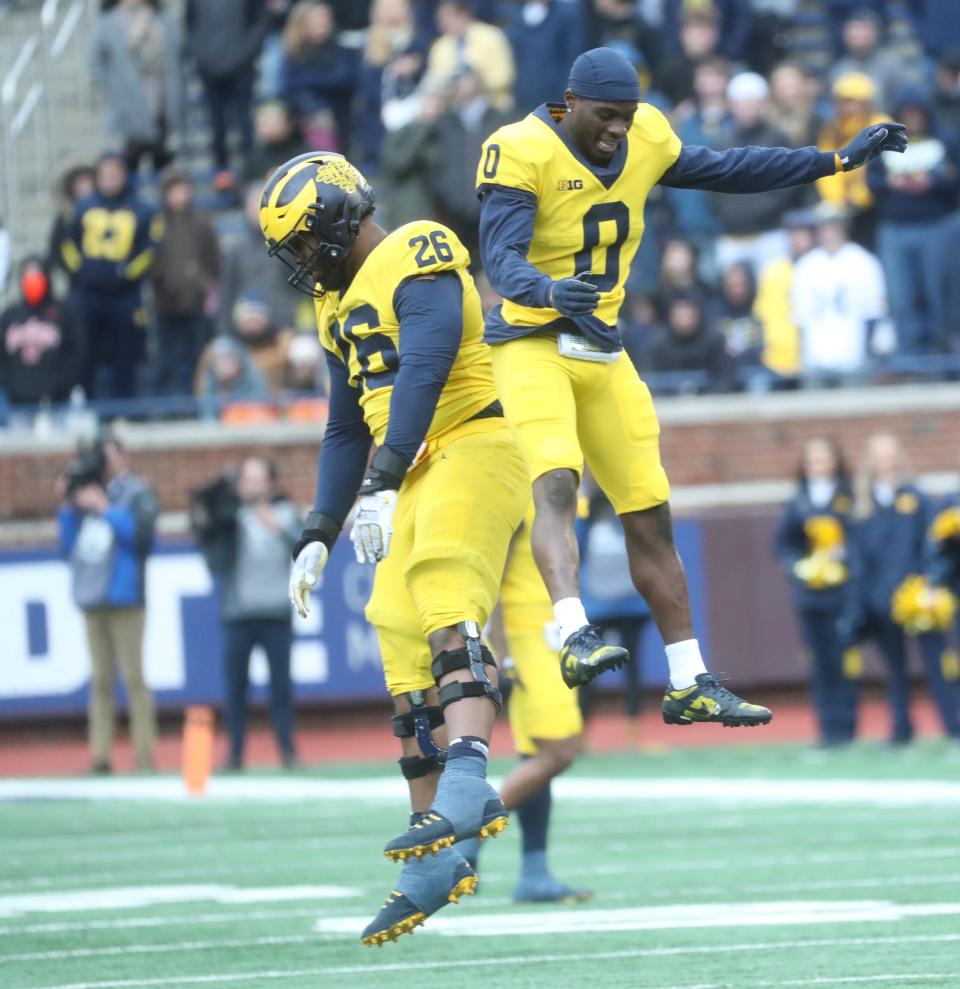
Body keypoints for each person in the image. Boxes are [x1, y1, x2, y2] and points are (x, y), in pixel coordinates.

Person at [475, 46, 905, 721]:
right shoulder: (521, 147)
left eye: (628, 116)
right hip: (532, 342)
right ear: (573, 101)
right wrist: (552, 289)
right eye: (607, 117)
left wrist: (836, 161)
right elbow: (499, 257)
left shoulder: (647, 132)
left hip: (603, 351)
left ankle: (688, 678)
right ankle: (572, 628)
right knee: (557, 477)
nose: (619, 129)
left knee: (650, 510)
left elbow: (729, 169)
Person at [259, 152, 528, 944]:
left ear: (342, 215)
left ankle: (471, 778)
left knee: (440, 579)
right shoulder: (333, 307)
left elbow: (426, 363)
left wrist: (381, 480)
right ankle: (435, 854)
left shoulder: (418, 246)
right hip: (406, 465)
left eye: (307, 240)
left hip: (473, 438)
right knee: (396, 629)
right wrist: (318, 530)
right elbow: (347, 425)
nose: (304, 261)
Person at [473, 507, 592, 904]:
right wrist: (502, 649)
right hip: (528, 637)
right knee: (559, 752)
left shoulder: (556, 479)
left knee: (537, 755)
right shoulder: (520, 487)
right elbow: (496, 575)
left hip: (551, 634)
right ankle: (468, 833)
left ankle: (534, 871)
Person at [846, 434, 960, 743]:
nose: (887, 461)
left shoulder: (917, 498)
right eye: (880, 455)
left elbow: (931, 546)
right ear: (870, 461)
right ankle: (901, 728)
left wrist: (932, 584)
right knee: (894, 669)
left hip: (919, 598)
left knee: (938, 663)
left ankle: (953, 725)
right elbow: (858, 558)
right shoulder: (861, 505)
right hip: (880, 601)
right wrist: (862, 601)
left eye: (891, 454)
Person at [56, 435, 159, 773]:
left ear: (123, 458)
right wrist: (69, 505)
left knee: (133, 677)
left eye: (111, 456)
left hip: (125, 596)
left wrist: (105, 508)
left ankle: (144, 754)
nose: (106, 463)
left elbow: (141, 538)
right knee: (100, 680)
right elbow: (69, 546)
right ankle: (100, 755)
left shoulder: (137, 492)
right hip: (93, 596)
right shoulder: (85, 494)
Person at [192, 456, 301, 768]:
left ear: (270, 484)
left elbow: (306, 547)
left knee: (280, 687)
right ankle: (235, 754)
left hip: (277, 611)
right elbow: (205, 532)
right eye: (246, 479)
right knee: (235, 687)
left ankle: (287, 750)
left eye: (257, 479)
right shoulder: (230, 514)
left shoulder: (285, 513)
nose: (250, 485)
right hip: (238, 614)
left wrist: (278, 527)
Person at [774, 437, 859, 747]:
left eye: (823, 459)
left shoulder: (848, 496)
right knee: (818, 662)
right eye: (812, 460)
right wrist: (800, 566)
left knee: (844, 661)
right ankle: (827, 728)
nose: (818, 465)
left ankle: (848, 727)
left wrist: (845, 557)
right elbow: (783, 544)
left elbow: (861, 538)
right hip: (810, 595)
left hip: (843, 594)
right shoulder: (797, 500)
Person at [867, 89, 960, 356]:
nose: (913, 120)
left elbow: (956, 178)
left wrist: (933, 182)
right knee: (901, 296)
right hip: (895, 228)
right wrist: (890, 182)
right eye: (907, 116)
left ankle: (940, 354)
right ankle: (908, 355)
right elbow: (872, 182)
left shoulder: (946, 139)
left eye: (916, 115)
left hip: (937, 225)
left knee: (939, 292)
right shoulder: (883, 142)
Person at [61, 153, 156, 401]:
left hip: (124, 295)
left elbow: (149, 250)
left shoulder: (141, 209)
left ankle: (124, 405)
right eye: (105, 175)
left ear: (124, 176)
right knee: (84, 349)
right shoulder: (82, 207)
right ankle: (83, 400)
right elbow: (67, 244)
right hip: (88, 293)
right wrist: (80, 272)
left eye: (115, 174)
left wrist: (126, 273)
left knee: (126, 351)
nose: (110, 180)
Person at [790, 204, 888, 380]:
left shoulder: (864, 262)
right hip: (815, 356)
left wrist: (868, 352)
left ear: (844, 227)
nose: (829, 232)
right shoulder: (806, 266)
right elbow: (800, 318)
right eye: (824, 226)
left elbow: (874, 313)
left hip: (853, 356)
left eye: (834, 225)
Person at [184, 0, 269, 191]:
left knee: (245, 124)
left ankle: (251, 175)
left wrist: (245, 54)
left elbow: (259, 23)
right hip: (209, 68)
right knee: (217, 126)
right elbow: (190, 25)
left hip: (242, 67)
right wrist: (202, 56)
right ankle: (222, 175)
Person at [89, 0, 181, 173]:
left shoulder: (162, 19)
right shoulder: (108, 22)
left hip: (160, 93)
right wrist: (114, 88)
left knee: (161, 152)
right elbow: (95, 63)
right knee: (130, 156)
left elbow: (176, 53)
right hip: (128, 98)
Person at [150, 171, 219, 396]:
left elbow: (214, 259)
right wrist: (160, 281)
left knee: (197, 355)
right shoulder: (157, 225)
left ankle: (197, 398)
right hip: (165, 303)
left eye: (184, 190)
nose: (181, 196)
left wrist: (204, 282)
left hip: (197, 303)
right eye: (175, 191)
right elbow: (150, 259)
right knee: (167, 358)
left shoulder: (201, 223)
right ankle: (166, 401)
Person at [0, 256, 84, 411]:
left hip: (57, 401)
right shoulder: (10, 316)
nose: (32, 281)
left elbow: (77, 353)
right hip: (16, 401)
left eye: (37, 275)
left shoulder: (64, 313)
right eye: (28, 276)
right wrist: (10, 384)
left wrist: (62, 384)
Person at [422, 0, 515, 111]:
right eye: (441, 20)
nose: (445, 23)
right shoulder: (440, 46)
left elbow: (504, 77)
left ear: (465, 15)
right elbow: (434, 81)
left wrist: (478, 84)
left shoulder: (491, 37)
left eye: (450, 17)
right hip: (452, 108)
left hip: (492, 105)